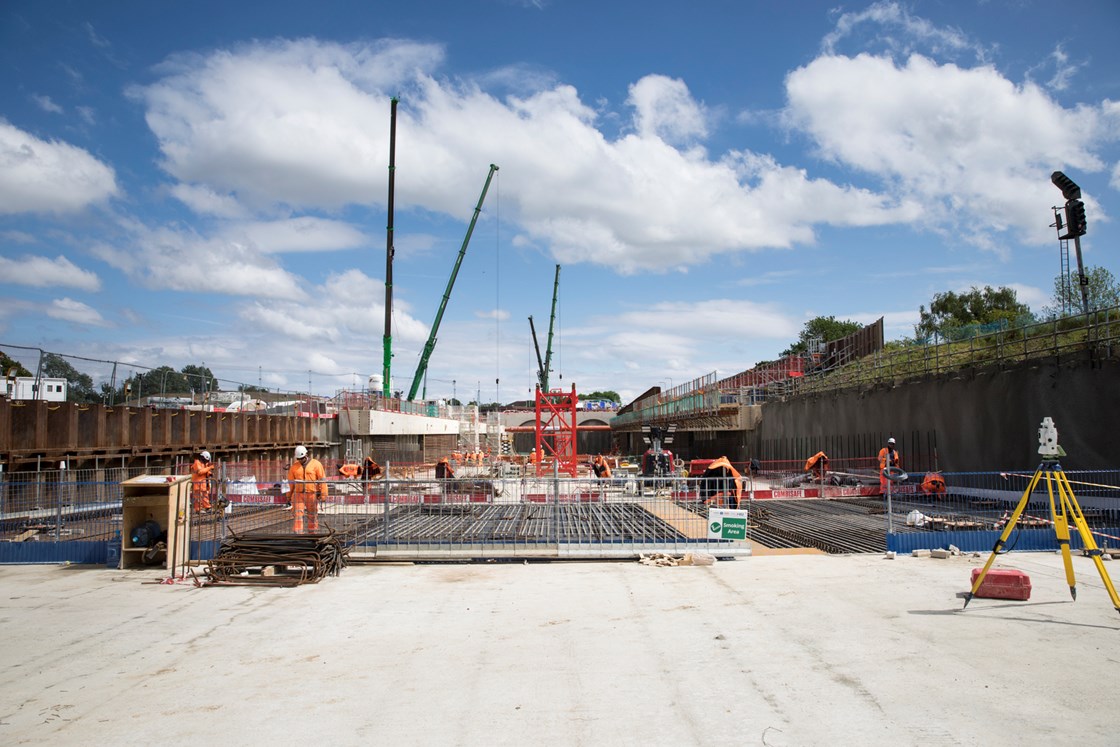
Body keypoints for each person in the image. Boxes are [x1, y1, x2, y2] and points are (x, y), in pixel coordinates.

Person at [287, 445, 327, 533]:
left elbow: (322, 480)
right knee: (297, 514)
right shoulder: (294, 467)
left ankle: (312, 532)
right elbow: (290, 483)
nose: (300, 460)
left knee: (312, 514)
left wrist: (323, 494)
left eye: (302, 458)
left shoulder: (316, 464)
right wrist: (288, 496)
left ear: (306, 455)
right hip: (298, 494)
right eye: (298, 459)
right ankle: (298, 532)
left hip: (311, 493)